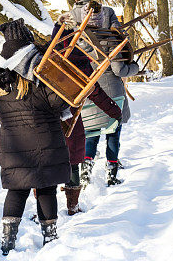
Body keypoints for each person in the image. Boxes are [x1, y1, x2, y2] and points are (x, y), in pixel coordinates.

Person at [0, 19, 72, 256]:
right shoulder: (37, 78)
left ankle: (8, 239)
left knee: (17, 190)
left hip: (14, 147)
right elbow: (57, 102)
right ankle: (50, 236)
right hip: (46, 144)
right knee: (46, 189)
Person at [68, 0, 140, 187]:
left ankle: (86, 171)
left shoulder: (69, 18)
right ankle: (111, 172)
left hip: (85, 87)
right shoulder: (107, 13)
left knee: (90, 132)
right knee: (112, 132)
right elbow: (118, 59)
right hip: (111, 88)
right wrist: (134, 67)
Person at [50, 22, 122, 214]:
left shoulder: (47, 59)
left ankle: (45, 210)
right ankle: (72, 206)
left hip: (45, 121)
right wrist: (114, 111)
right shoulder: (78, 60)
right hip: (69, 121)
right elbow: (94, 92)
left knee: (47, 163)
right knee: (72, 161)